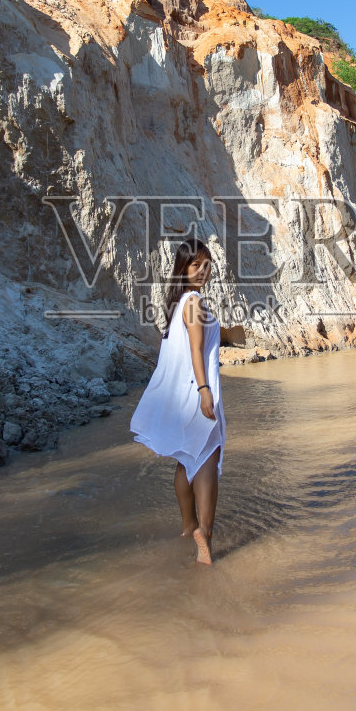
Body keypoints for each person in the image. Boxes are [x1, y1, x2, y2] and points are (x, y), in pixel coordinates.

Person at [129, 238, 225, 565]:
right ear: (183, 269)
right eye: (195, 265)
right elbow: (197, 351)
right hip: (197, 391)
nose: (202, 271)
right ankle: (206, 534)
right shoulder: (195, 303)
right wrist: (204, 391)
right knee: (209, 457)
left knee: (186, 459)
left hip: (181, 395)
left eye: (206, 264)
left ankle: (187, 527)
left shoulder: (180, 303)